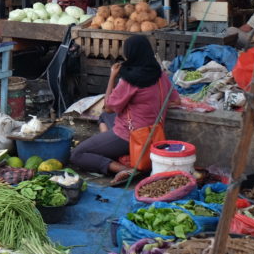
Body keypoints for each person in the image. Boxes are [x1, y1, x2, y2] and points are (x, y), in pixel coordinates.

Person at [71, 35, 179, 185]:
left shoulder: (130, 80)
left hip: (130, 135)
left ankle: (122, 168)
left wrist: (112, 76)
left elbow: (108, 107)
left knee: (77, 154)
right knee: (103, 118)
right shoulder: (161, 75)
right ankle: (115, 151)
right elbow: (175, 100)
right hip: (154, 131)